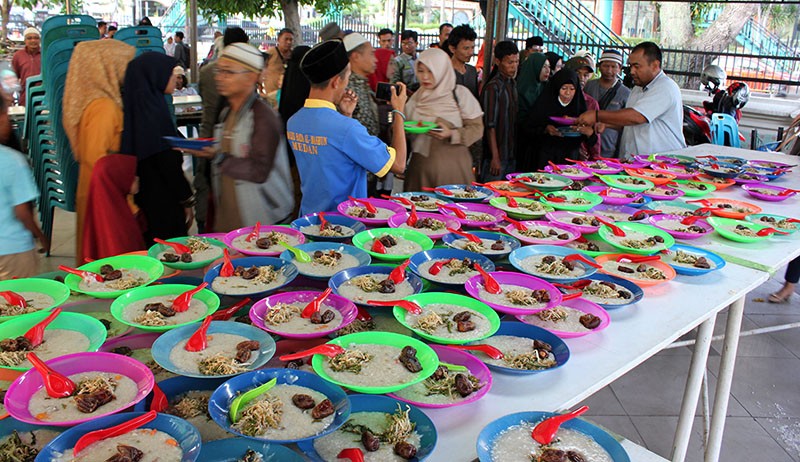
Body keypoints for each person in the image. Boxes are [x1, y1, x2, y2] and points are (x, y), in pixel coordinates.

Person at [287, 40, 408, 214]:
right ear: (336, 81)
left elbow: (330, 161)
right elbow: (398, 165)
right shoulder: (347, 129)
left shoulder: (294, 121)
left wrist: (345, 115)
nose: (347, 84)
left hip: (309, 218)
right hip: (342, 225)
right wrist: (399, 111)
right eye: (348, 77)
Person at [186, 43, 294, 229]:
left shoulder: (263, 117)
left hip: (264, 222)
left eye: (228, 72)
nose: (220, 77)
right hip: (232, 218)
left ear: (251, 76)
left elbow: (259, 171)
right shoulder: (227, 113)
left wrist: (217, 156)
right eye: (219, 71)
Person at [63, 40, 137, 264]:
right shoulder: (104, 108)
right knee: (108, 262)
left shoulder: (95, 104)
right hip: (104, 198)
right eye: (125, 64)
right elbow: (98, 159)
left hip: (97, 192)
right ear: (108, 66)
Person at [121, 52, 194, 244]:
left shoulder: (141, 105)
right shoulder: (152, 114)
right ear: (154, 76)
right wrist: (186, 199)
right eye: (169, 73)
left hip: (145, 201)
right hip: (163, 204)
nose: (175, 78)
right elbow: (166, 162)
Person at [576, 42, 685, 158]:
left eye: (637, 66)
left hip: (661, 163)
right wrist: (607, 124)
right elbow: (630, 123)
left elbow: (637, 117)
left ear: (654, 65)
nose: (632, 71)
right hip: (635, 162)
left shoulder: (665, 87)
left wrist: (597, 115)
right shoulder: (637, 89)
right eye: (631, 66)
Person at [404, 48, 483, 190]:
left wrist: (452, 134)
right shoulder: (416, 97)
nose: (425, 77)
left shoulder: (460, 95)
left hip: (454, 172)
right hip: (420, 172)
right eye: (421, 71)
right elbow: (404, 128)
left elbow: (477, 129)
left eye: (431, 71)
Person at [195, 27, 249, 233]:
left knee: (205, 184)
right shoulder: (242, 73)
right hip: (230, 137)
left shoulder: (207, 71)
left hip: (207, 132)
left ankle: (203, 231)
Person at [0, 97, 47, 279]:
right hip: (13, 249)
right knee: (20, 303)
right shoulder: (12, 160)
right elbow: (22, 212)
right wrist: (41, 236)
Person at [524, 69, 597, 169]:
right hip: (545, 156)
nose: (567, 93)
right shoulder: (545, 104)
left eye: (572, 89)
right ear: (557, 87)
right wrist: (545, 129)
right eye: (564, 88)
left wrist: (588, 133)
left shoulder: (579, 107)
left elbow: (591, 141)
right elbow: (528, 129)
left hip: (570, 158)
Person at [82, 154, 145, 261]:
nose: (137, 178)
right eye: (131, 176)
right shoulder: (116, 225)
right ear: (117, 180)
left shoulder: (110, 207)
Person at [480, 41, 519, 181]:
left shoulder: (512, 84)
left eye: (516, 62)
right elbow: (490, 125)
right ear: (497, 61)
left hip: (510, 153)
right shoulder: (493, 87)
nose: (514, 66)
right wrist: (495, 157)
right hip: (496, 156)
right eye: (510, 62)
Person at [584, 49, 630, 158]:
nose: (609, 70)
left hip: (609, 146)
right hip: (587, 142)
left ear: (619, 69)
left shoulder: (626, 93)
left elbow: (627, 124)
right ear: (599, 66)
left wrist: (607, 125)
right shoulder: (588, 86)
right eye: (606, 66)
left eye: (614, 67)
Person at [564, 56, 600, 160]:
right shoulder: (556, 99)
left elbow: (596, 139)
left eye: (585, 75)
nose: (581, 78)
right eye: (577, 73)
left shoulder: (591, 103)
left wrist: (594, 160)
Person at [344, 33, 379, 137]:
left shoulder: (362, 83)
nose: (375, 60)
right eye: (371, 54)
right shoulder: (347, 88)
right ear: (356, 56)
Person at [516, 52, 549, 124]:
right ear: (535, 67)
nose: (547, 70)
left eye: (549, 67)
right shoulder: (521, 91)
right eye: (544, 67)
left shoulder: (545, 87)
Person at [12, 28, 41, 106]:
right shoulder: (18, 56)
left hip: (44, 96)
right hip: (25, 95)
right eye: (29, 38)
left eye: (36, 38)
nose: (33, 40)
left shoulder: (45, 55)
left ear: (40, 40)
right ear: (25, 40)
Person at [448, 24, 478, 98]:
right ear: (452, 49)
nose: (471, 52)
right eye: (466, 48)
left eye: (472, 47)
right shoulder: (444, 72)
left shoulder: (472, 71)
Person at [263, 28, 294, 95]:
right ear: (278, 39)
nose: (289, 42)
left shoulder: (294, 55)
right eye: (286, 39)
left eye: (291, 40)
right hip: (271, 93)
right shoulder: (270, 53)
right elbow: (260, 69)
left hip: (288, 93)